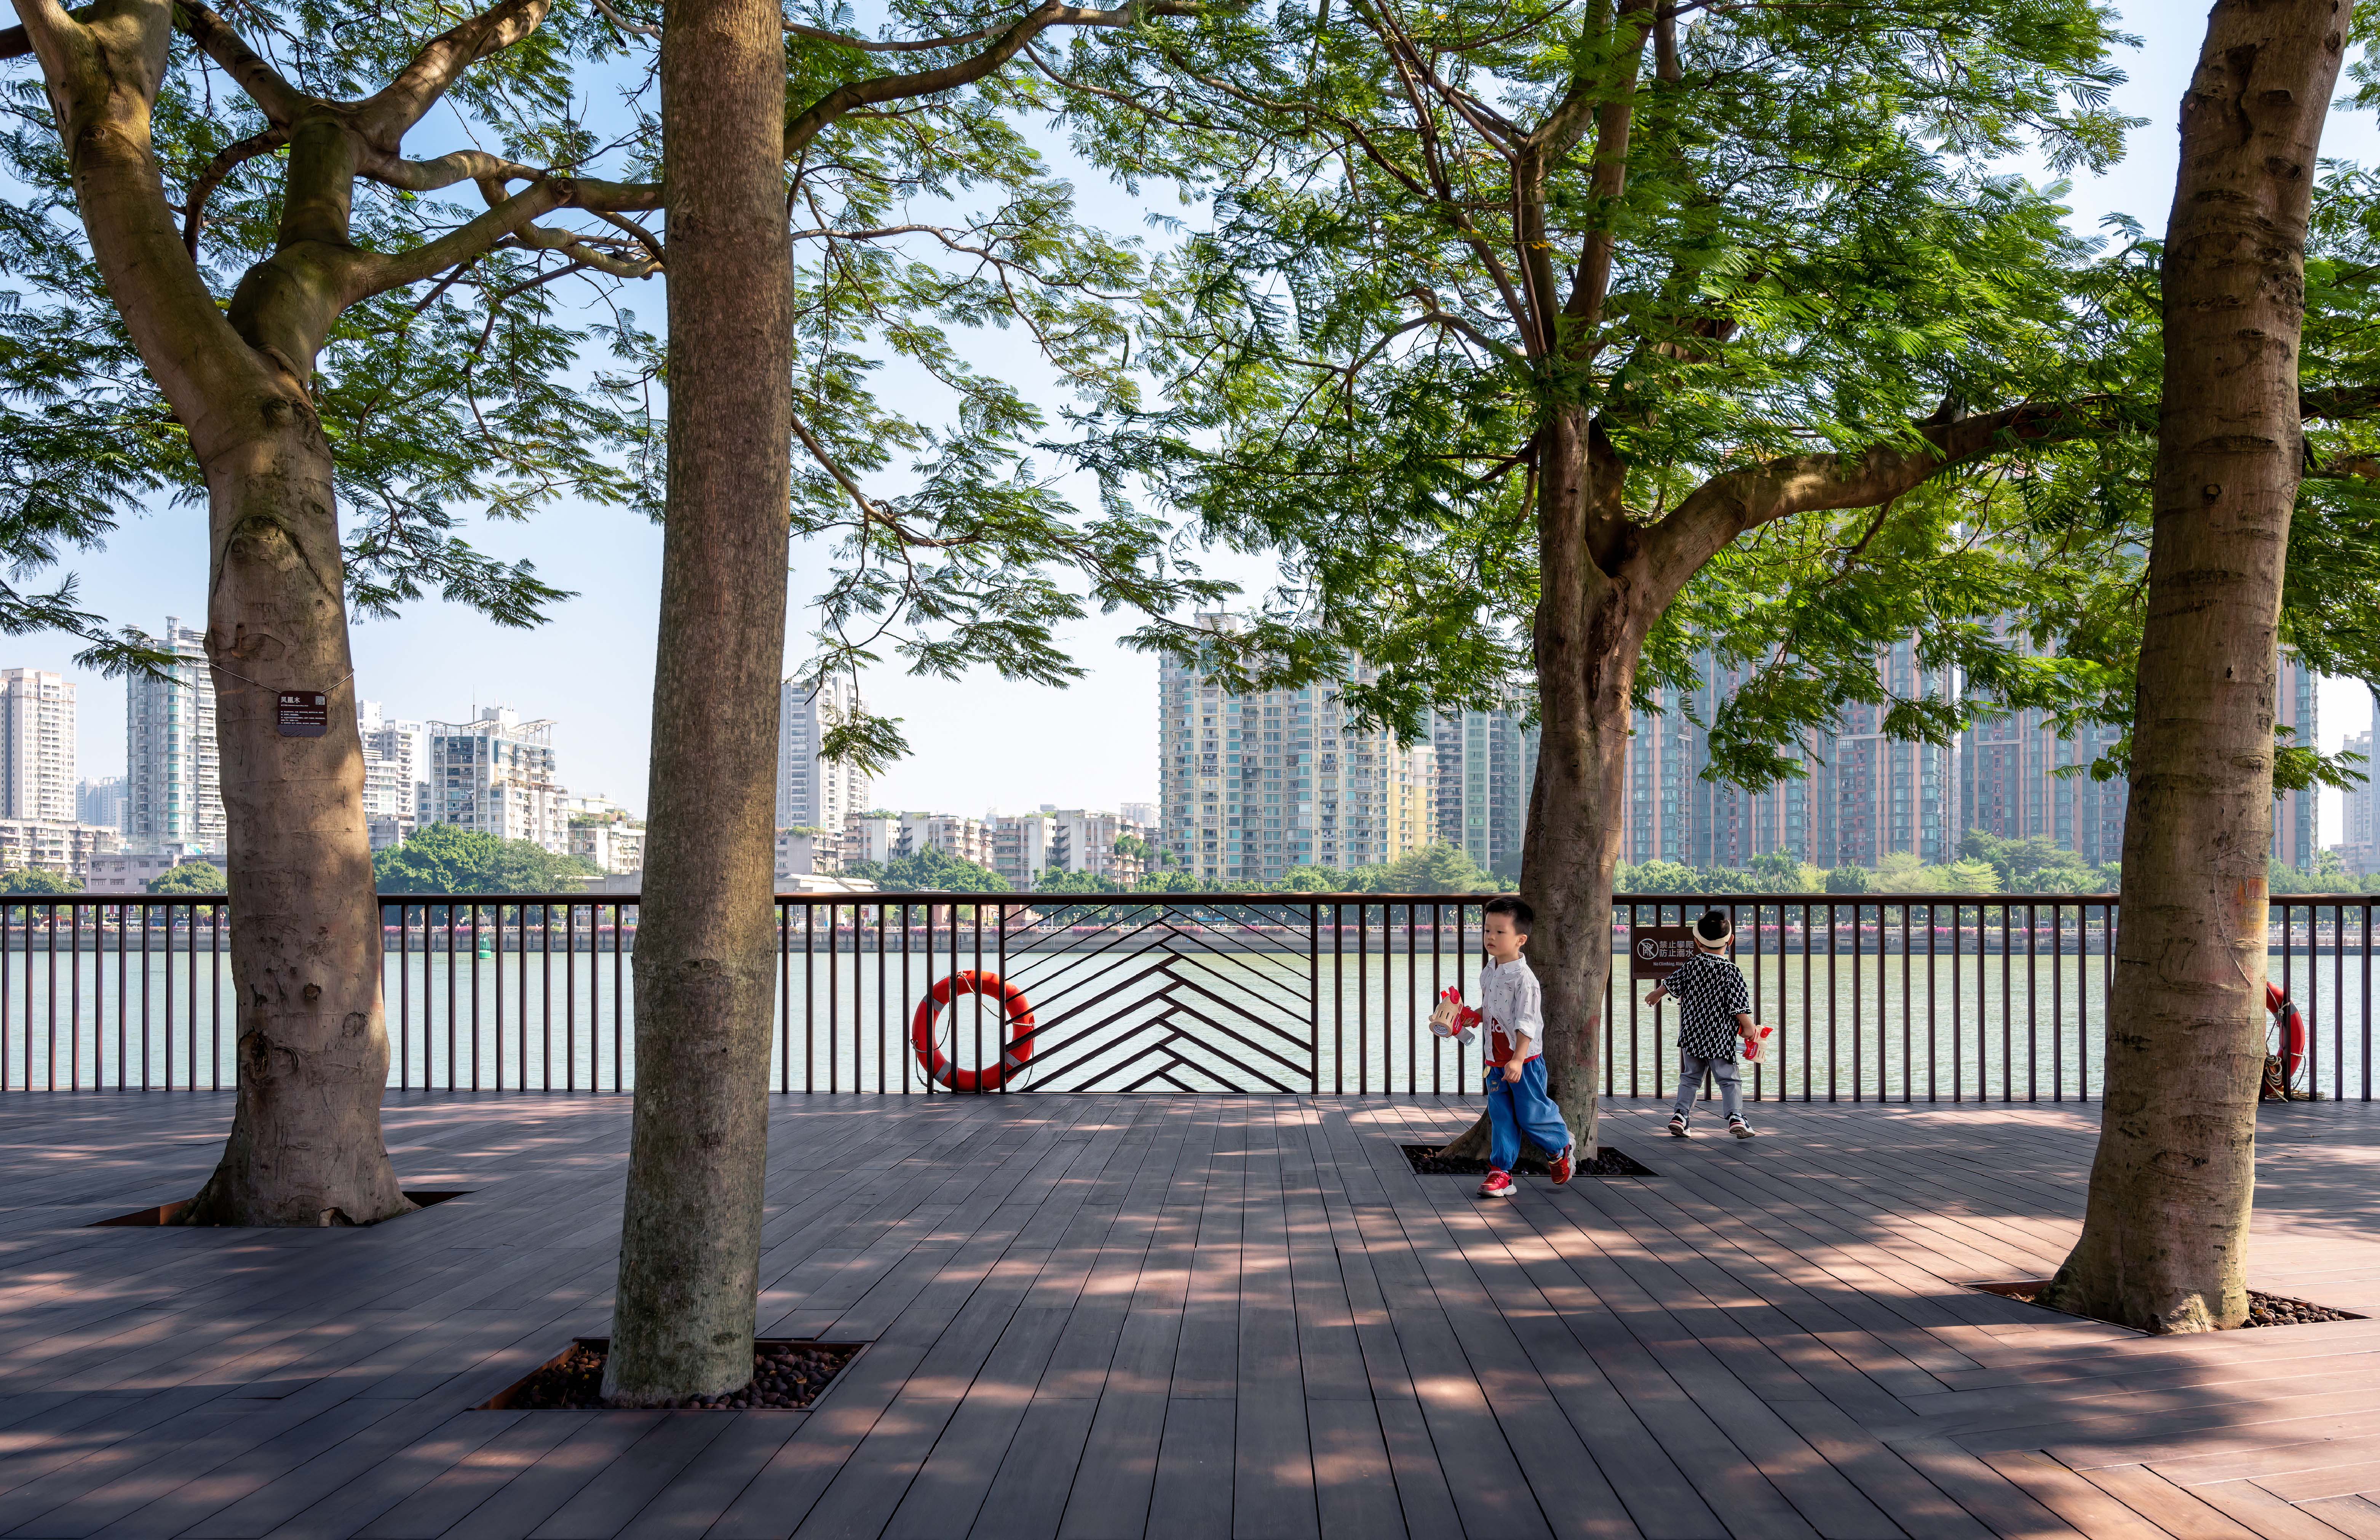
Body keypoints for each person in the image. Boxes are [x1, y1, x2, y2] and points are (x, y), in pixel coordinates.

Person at [1472, 896, 1575, 1197]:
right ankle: (1501, 1172)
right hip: (1495, 1062)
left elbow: (1526, 1022)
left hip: (1524, 1063)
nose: (1490, 937)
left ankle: (1560, 1146)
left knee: (1531, 1114)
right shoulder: (1490, 971)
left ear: (1521, 939)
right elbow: (1492, 1009)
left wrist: (1517, 1060)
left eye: (1500, 932)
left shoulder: (1525, 980)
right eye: (1487, 930)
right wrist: (1472, 1016)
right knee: (1502, 1116)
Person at [1644, 908, 1762, 1139]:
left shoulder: (1692, 965)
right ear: (1731, 940)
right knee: (1729, 1079)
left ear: (1697, 942)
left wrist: (1656, 994)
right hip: (1720, 1037)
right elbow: (1737, 1005)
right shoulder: (1731, 971)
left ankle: (1680, 1116)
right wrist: (1749, 1027)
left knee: (1690, 1077)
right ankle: (1736, 1117)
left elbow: (1670, 985)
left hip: (1692, 1034)